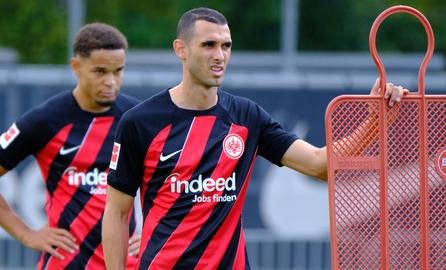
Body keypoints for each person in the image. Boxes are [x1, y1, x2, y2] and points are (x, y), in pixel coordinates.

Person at [102, 7, 408, 270]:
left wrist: (375, 122)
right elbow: (117, 212)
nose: (219, 55)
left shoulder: (247, 117)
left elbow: (321, 166)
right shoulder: (140, 122)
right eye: (208, 45)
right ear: (181, 49)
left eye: (226, 45)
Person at [0, 23, 141, 269]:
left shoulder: (138, 119)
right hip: (65, 263)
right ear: (76, 67)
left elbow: (174, 183)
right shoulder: (45, 120)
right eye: (100, 71)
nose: (111, 81)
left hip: (125, 264)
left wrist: (152, 231)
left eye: (118, 71)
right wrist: (26, 234)